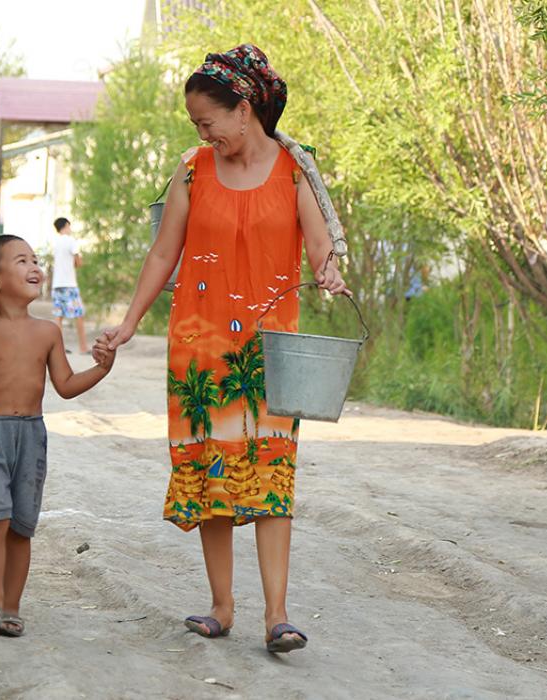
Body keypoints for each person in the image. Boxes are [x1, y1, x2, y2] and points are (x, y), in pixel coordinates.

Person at [96, 44, 350, 654]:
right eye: (196, 126)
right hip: (199, 346)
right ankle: (221, 606)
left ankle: (278, 615)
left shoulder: (295, 166)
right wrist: (130, 321)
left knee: (270, 478)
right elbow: (165, 253)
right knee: (212, 472)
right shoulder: (192, 169)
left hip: (269, 351)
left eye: (208, 122)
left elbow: (320, 243)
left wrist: (329, 272)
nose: (204, 134)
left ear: (244, 110)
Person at [0, 234, 115, 638]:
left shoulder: (48, 332)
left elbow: (66, 385)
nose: (35, 267)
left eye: (36, 259)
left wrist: (103, 369)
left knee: (21, 526)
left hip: (31, 437)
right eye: (22, 261)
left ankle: (11, 608)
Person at [50, 218, 89, 354]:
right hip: (69, 284)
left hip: (57, 284)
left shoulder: (55, 242)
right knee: (78, 314)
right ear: (66, 226)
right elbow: (78, 262)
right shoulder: (71, 241)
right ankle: (83, 348)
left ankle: (58, 348)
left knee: (58, 316)